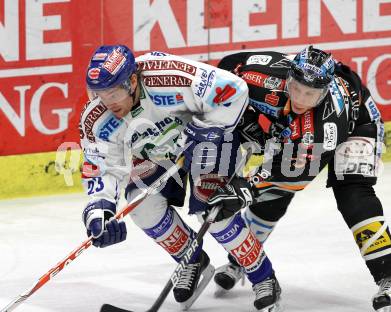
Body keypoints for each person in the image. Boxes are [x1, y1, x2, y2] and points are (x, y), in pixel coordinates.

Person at [208, 46, 391, 312]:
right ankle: (241, 262)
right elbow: (226, 67)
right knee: (271, 198)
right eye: (297, 88)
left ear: (325, 92)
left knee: (353, 194)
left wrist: (247, 187)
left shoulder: (326, 124)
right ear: (289, 77)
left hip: (359, 123)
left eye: (312, 94)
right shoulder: (264, 74)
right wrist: (244, 117)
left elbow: (294, 177)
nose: (302, 98)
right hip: (294, 131)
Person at [79, 45, 281, 311]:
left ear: (131, 81)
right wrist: (99, 212)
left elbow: (235, 89)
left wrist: (205, 130)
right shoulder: (96, 119)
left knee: (213, 211)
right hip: (160, 153)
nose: (107, 102)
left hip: (209, 140)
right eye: (100, 94)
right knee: (140, 205)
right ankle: (191, 259)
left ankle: (263, 277)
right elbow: (101, 167)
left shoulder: (169, 76)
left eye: (113, 92)